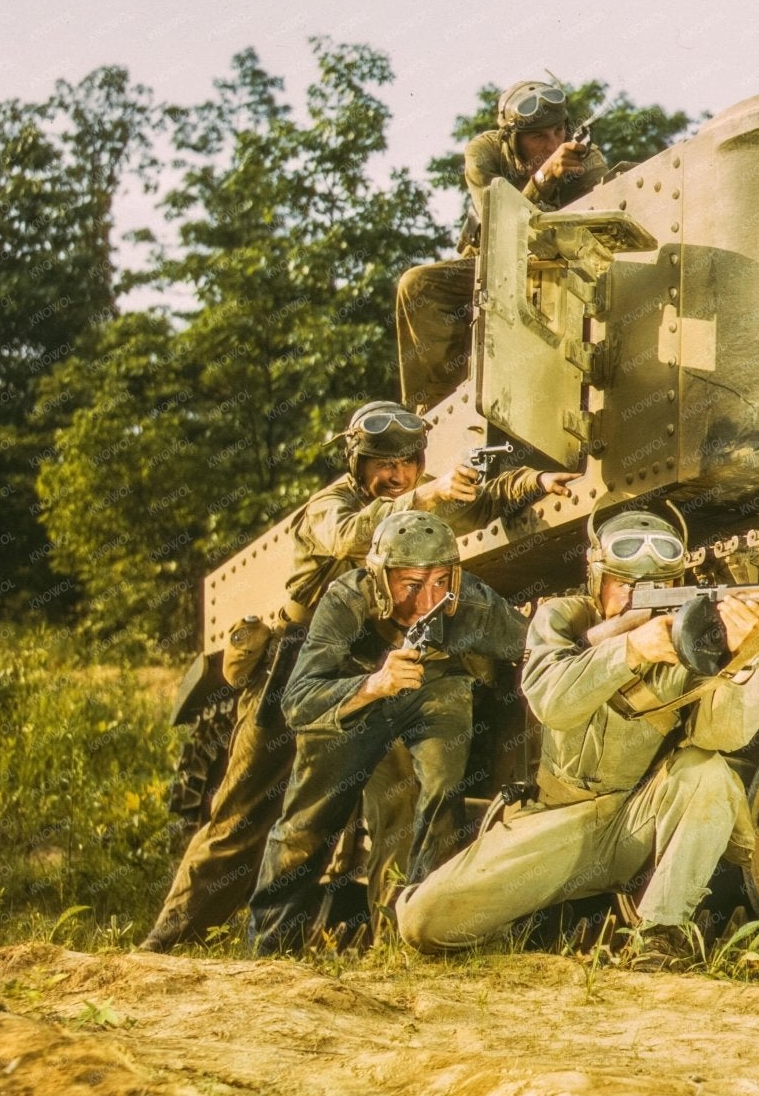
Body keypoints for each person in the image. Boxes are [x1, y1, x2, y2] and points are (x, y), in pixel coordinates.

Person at [139, 401, 573, 953]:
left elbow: (482, 502)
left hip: (376, 662)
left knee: (396, 803)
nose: (393, 475)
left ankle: (398, 942)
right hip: (297, 661)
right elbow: (349, 536)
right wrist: (428, 494)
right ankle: (169, 942)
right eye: (379, 464)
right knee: (246, 813)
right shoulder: (332, 505)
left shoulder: (416, 509)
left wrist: (535, 481)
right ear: (356, 463)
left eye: (405, 464)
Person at [395, 509, 759, 957]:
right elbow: (552, 703)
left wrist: (742, 663)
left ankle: (661, 934)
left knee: (707, 771)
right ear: (596, 582)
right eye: (624, 583)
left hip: (636, 820)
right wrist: (632, 649)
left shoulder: (691, 633)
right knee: (424, 923)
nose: (641, 597)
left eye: (660, 587)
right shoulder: (560, 619)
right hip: (557, 822)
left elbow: (724, 736)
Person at [248, 510, 535, 954]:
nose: (427, 602)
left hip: (433, 690)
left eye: (441, 582)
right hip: (354, 698)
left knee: (440, 793)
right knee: (308, 822)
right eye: (412, 585)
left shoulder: (472, 602)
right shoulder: (346, 599)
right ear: (380, 579)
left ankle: (417, 942)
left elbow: (540, 645)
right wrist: (372, 685)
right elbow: (298, 701)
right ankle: (269, 952)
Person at [395, 80, 613, 413]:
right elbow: (501, 226)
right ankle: (434, 405)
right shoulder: (484, 152)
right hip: (493, 261)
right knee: (417, 284)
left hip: (560, 262)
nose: (554, 143)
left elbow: (603, 209)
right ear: (513, 138)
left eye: (558, 131)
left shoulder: (584, 155)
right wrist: (544, 178)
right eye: (539, 136)